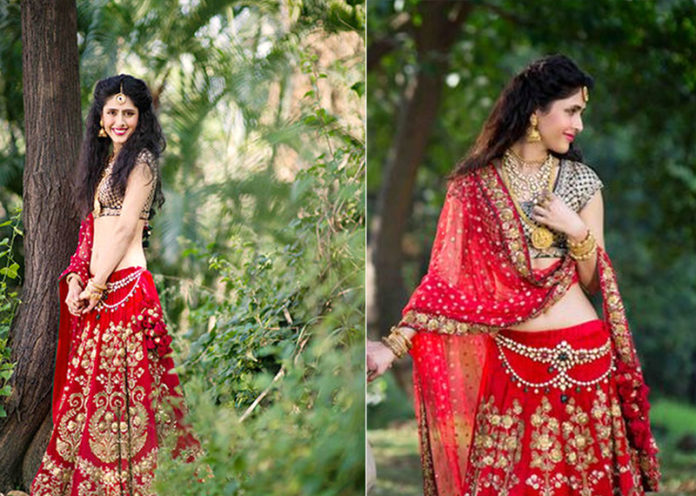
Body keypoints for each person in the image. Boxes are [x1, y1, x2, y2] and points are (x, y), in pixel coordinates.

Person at [367, 55, 661, 495]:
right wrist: (393, 345)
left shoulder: (581, 182)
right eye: (572, 111)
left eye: (581, 113)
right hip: (514, 361)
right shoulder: (473, 186)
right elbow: (445, 284)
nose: (578, 124)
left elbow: (593, 280)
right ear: (534, 112)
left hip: (586, 358)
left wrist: (577, 231)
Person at [31, 75, 201, 495]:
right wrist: (75, 278)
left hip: (123, 289)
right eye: (112, 112)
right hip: (99, 289)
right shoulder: (107, 162)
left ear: (141, 117)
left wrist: (96, 285)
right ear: (100, 118)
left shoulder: (142, 161)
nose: (120, 119)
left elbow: (126, 227)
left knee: (131, 397)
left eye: (128, 112)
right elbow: (91, 230)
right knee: (95, 396)